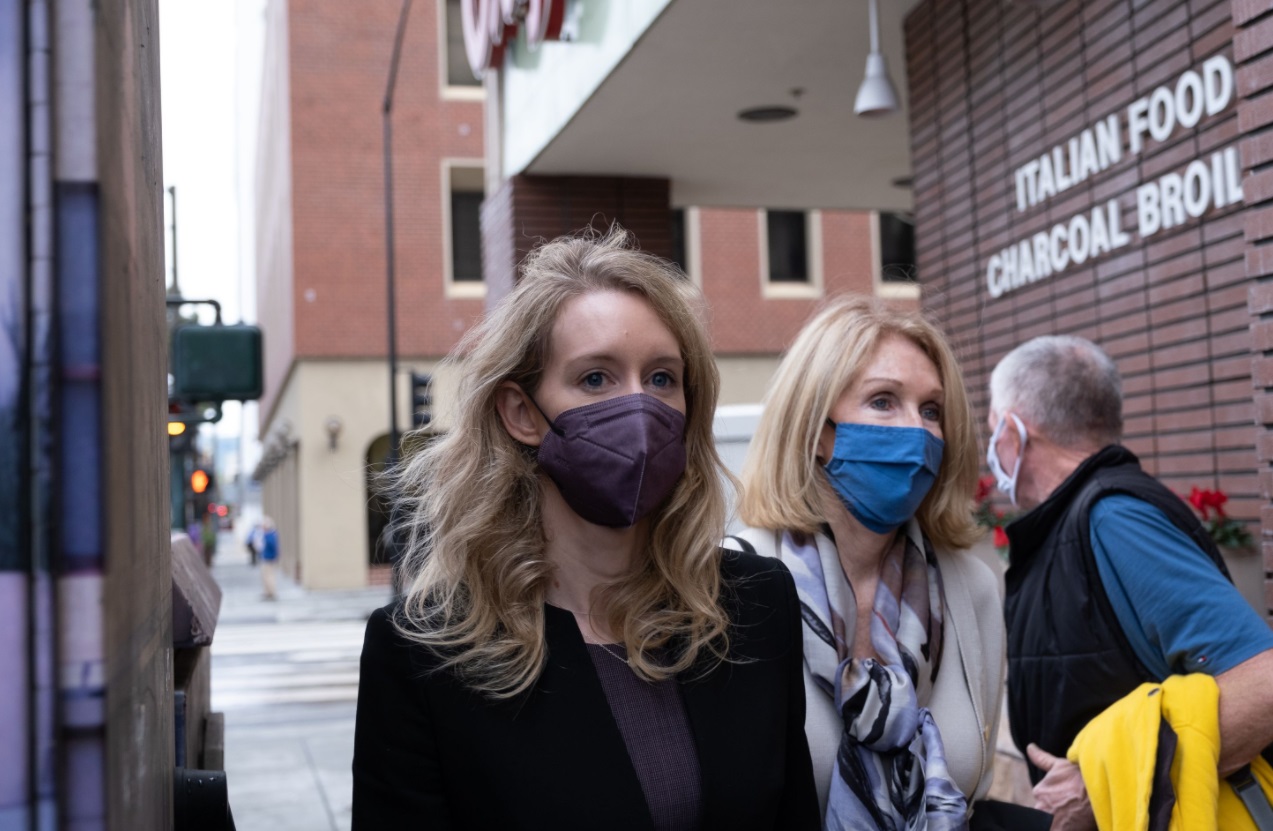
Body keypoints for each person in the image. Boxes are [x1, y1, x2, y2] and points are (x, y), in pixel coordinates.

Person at [351, 230, 819, 830]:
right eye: (596, 378)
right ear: (521, 413)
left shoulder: (756, 604)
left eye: (661, 379)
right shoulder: (422, 654)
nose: (640, 408)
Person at [731, 297, 1028, 830]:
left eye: (931, 410)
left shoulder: (971, 590)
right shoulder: (735, 580)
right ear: (819, 432)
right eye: (884, 401)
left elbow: (973, 790)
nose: (917, 432)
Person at [987, 335, 1273, 829]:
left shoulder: (1115, 520)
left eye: (991, 429)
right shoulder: (1077, 522)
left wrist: (1101, 784)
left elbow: (1265, 684)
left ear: (1013, 431)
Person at [259, 517, 278, 600]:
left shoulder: (269, 535)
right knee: (265, 576)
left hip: (269, 558)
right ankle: (267, 592)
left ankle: (271, 592)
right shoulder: (268, 535)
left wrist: (274, 556)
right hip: (266, 557)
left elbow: (273, 546)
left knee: (269, 576)